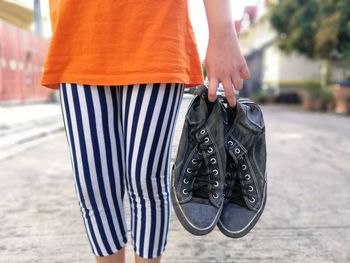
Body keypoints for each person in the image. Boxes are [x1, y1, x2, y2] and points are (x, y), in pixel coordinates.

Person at [40, 0, 250, 262]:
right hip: (78, 33)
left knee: (145, 180)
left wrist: (223, 31)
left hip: (156, 30)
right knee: (94, 187)